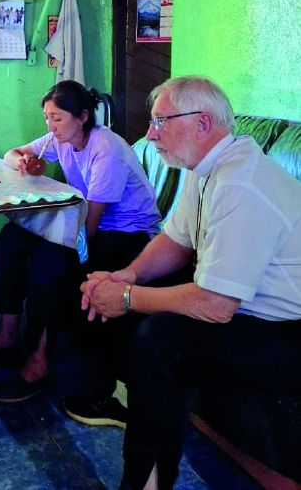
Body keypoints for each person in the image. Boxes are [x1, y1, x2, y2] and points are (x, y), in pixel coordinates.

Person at [80, 76, 301, 490]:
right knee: (130, 294)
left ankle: (143, 479)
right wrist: (127, 277)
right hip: (253, 308)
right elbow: (176, 241)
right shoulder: (206, 166)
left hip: (289, 334)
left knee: (160, 340)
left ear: (203, 123)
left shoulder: (240, 182)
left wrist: (126, 297)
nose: (149, 134)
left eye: (161, 121)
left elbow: (217, 305)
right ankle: (148, 460)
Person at [0, 80, 161, 404]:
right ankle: (8, 335)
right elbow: (12, 154)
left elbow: (90, 230)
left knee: (51, 256)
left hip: (128, 235)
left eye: (57, 118)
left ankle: (40, 361)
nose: (51, 126)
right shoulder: (62, 139)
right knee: (12, 236)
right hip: (83, 221)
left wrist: (50, 236)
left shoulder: (105, 152)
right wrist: (24, 162)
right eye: (47, 117)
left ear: (82, 116)